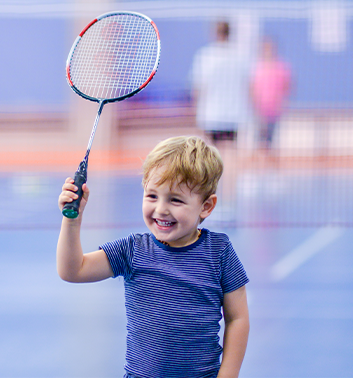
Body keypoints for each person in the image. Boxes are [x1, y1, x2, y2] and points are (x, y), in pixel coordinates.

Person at [57, 136, 250, 378]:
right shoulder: (132, 250)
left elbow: (238, 318)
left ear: (206, 206)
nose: (160, 209)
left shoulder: (219, 251)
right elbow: (73, 271)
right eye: (152, 196)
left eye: (175, 199)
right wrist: (72, 220)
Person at [191, 21, 251, 145]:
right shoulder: (240, 56)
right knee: (230, 155)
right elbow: (248, 87)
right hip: (233, 115)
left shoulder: (206, 56)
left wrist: (195, 112)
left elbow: (198, 88)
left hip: (213, 116)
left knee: (211, 156)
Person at [250, 37, 292, 150]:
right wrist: (255, 107)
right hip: (260, 111)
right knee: (259, 140)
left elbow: (287, 86)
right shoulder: (258, 67)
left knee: (270, 141)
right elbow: (252, 88)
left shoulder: (281, 67)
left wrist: (282, 103)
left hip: (274, 110)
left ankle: (268, 164)